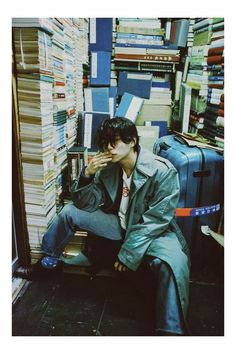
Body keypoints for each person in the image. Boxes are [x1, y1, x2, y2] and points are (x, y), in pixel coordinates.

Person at [40, 117, 190, 335]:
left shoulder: (162, 171)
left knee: (173, 263)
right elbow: (87, 204)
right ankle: (48, 261)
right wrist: (87, 175)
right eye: (105, 143)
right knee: (70, 211)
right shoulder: (109, 168)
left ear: (132, 141)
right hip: (119, 224)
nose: (108, 148)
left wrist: (128, 254)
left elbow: (156, 220)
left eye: (114, 142)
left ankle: (170, 330)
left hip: (154, 232)